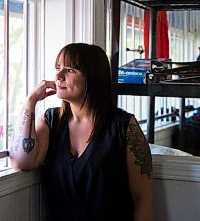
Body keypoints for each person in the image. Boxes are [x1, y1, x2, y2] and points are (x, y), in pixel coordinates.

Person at [9, 43, 154, 220]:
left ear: (92, 77)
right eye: (57, 68)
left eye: (70, 70)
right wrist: (30, 101)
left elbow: (144, 201)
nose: (58, 76)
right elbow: (21, 162)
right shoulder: (51, 120)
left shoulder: (124, 126)